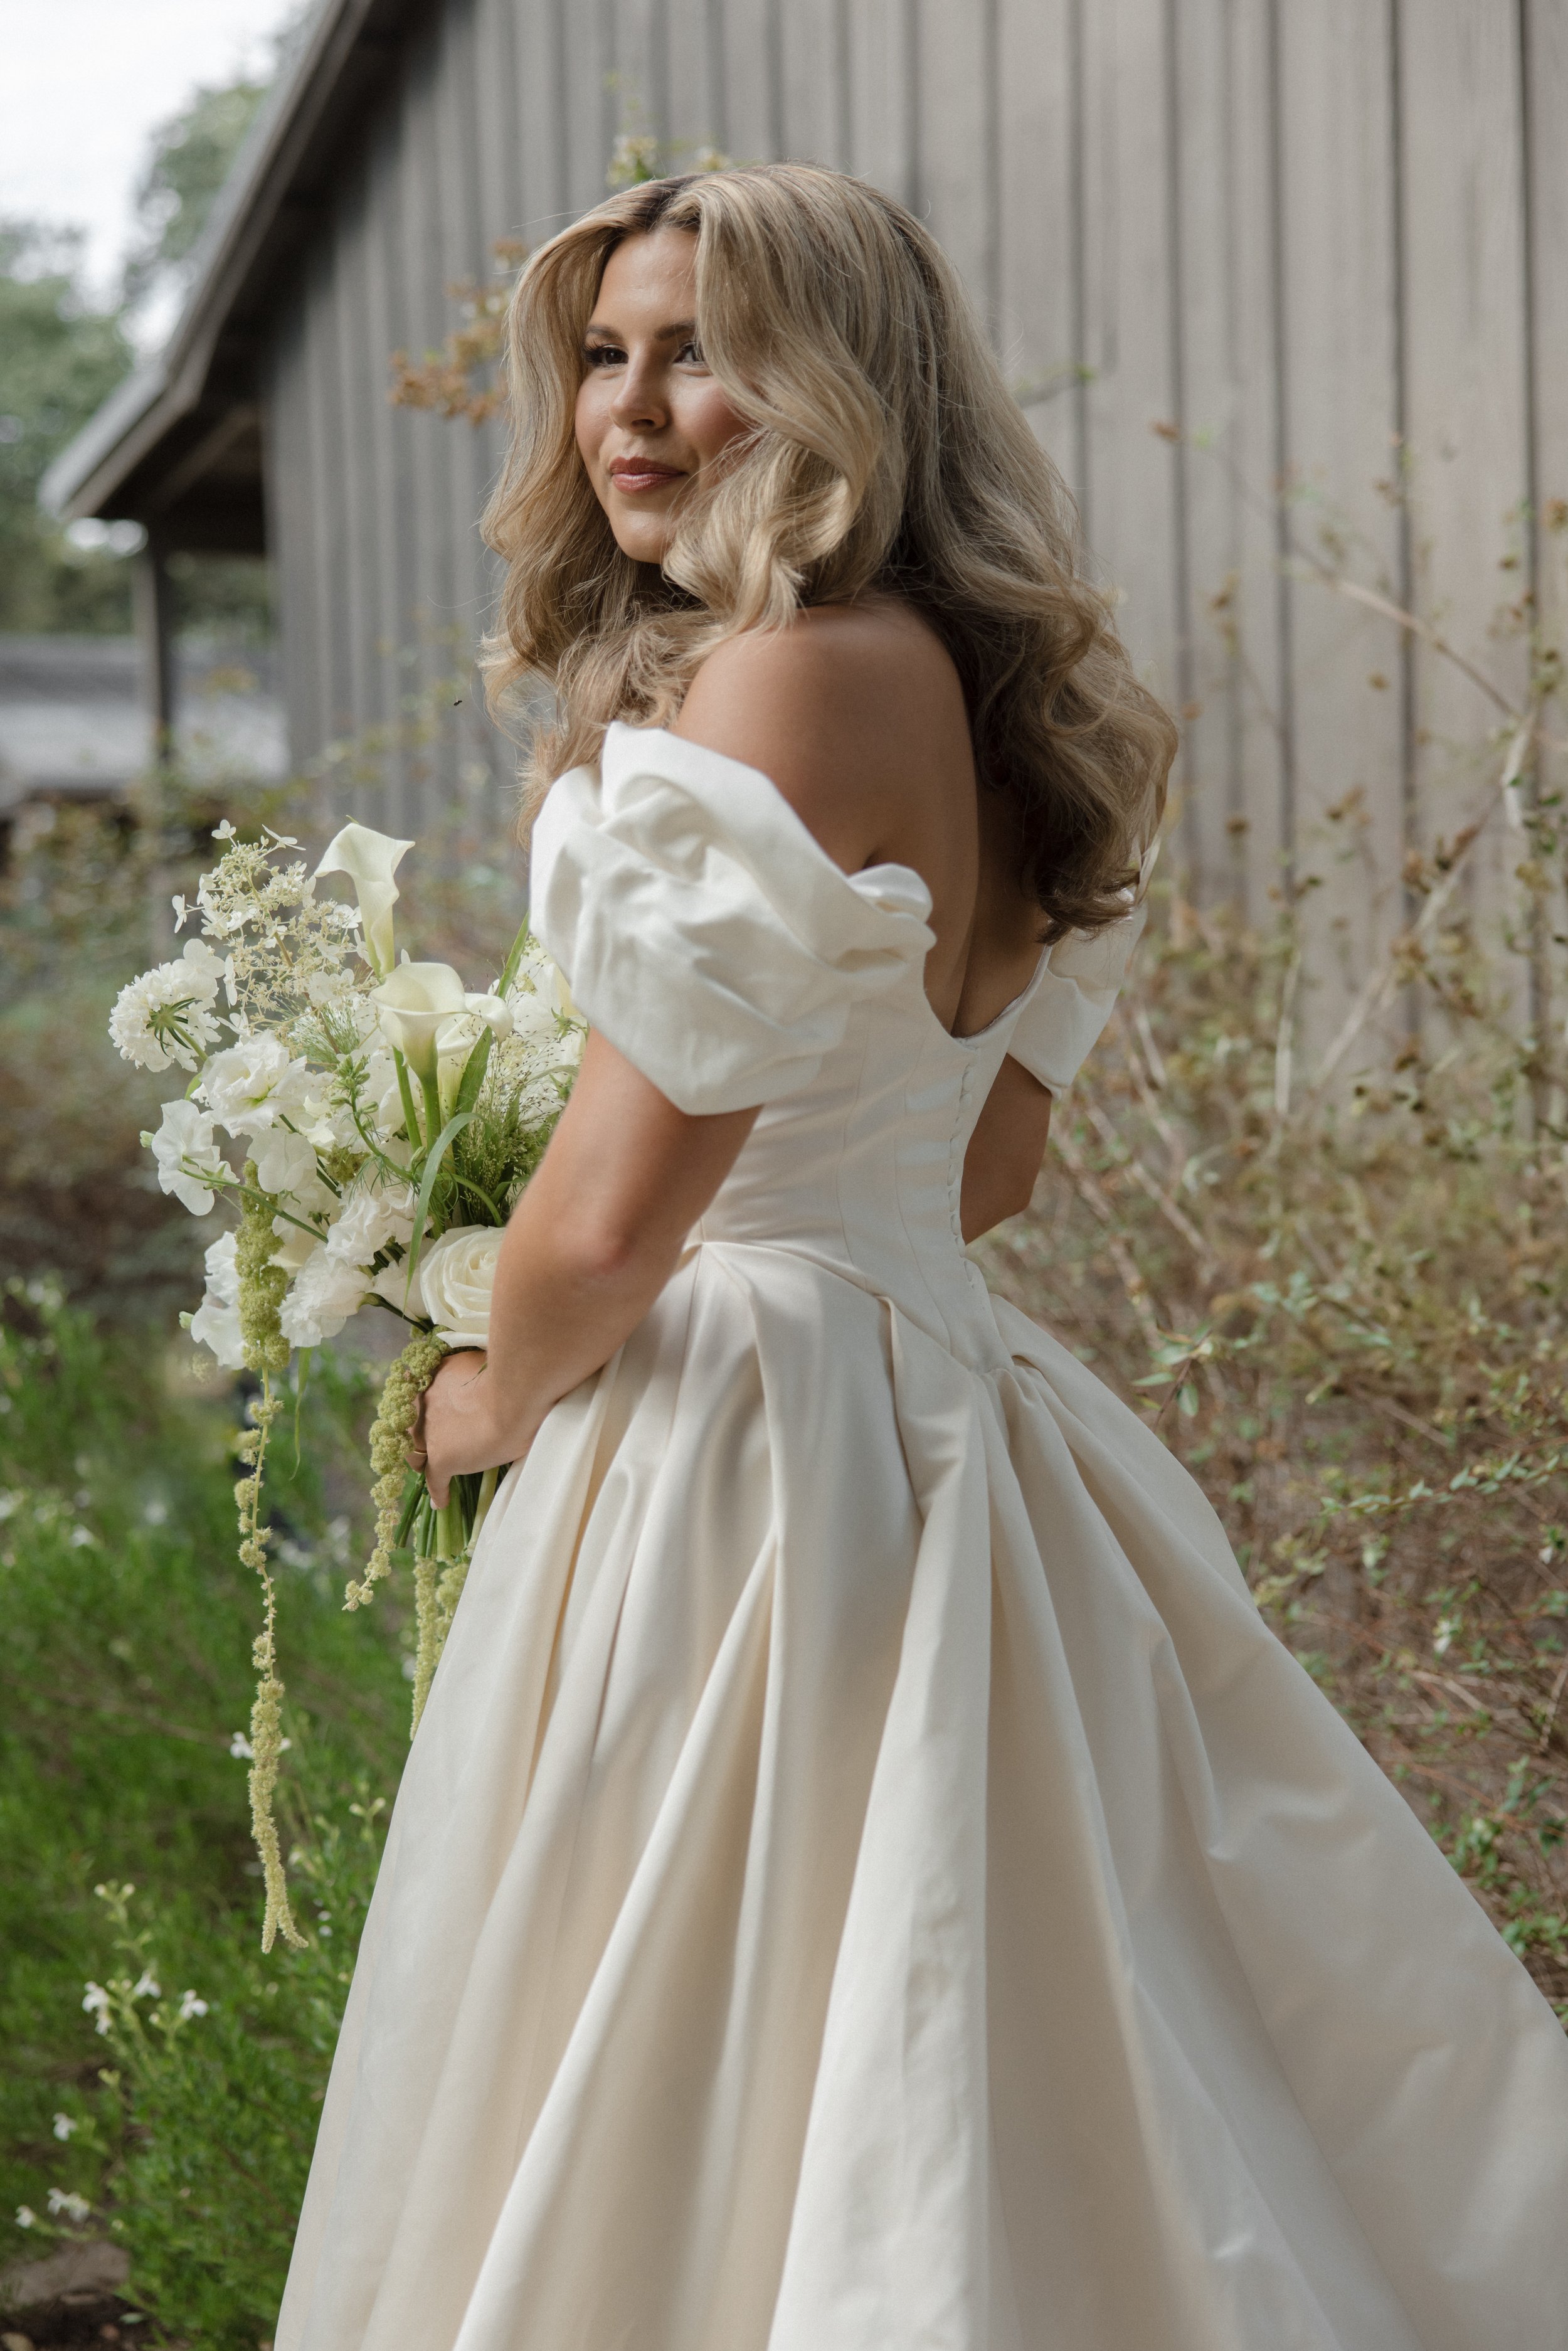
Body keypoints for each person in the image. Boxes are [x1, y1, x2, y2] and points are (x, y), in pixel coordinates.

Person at [277, 165, 1568, 2351]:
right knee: (998, 2033)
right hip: (934, 1398)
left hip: (741, 1456)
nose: (635, 404)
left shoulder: (780, 682)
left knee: (708, 2049)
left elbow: (606, 1220)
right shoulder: (977, 701)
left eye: (704, 349)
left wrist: (472, 1385)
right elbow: (977, 1173)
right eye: (603, 352)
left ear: (839, 382)